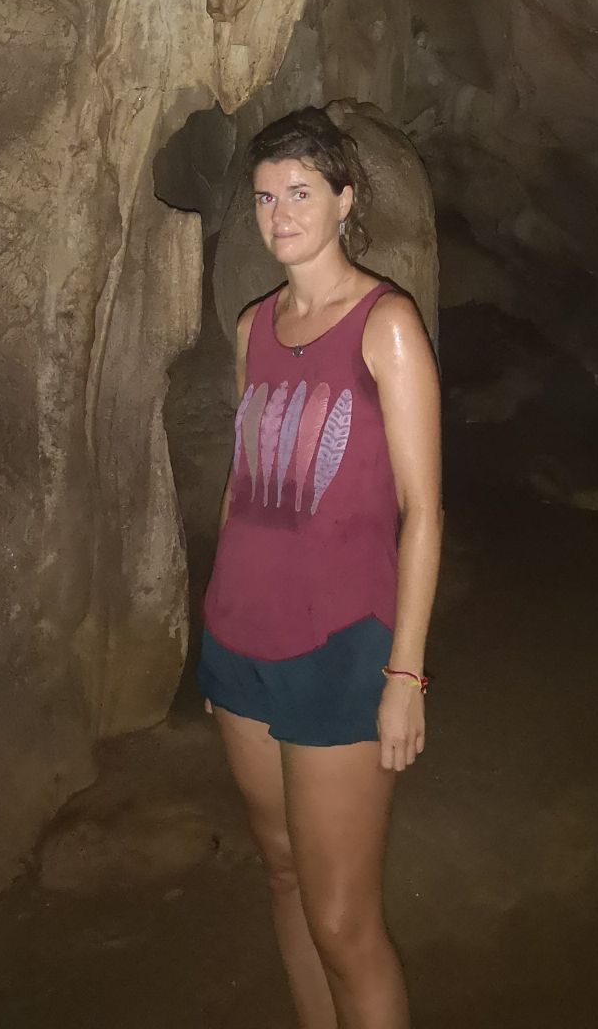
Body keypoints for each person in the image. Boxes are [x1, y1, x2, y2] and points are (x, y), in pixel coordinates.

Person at [197, 107, 443, 1029]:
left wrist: (405, 675)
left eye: (300, 191)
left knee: (343, 921)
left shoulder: (386, 326)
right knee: (286, 874)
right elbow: (242, 485)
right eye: (265, 197)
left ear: (345, 200)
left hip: (340, 646)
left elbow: (423, 512)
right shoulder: (253, 326)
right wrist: (217, 637)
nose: (279, 212)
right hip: (241, 641)